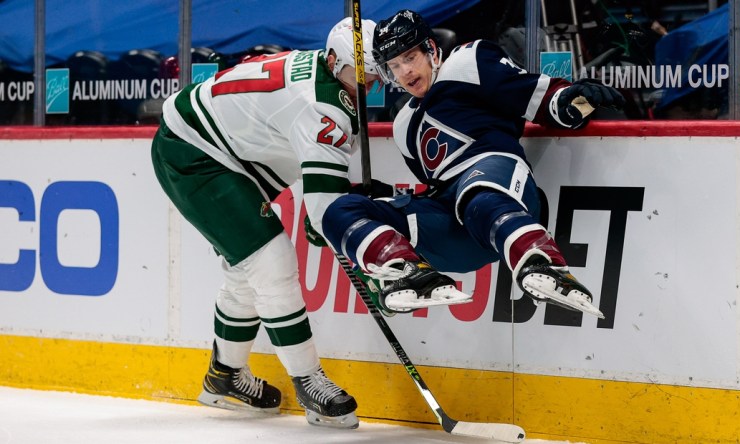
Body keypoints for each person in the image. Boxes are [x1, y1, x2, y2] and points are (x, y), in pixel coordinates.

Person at [150, 17, 381, 429]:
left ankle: (224, 377)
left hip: (226, 149)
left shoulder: (330, 79)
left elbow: (321, 191)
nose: (367, 86)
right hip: (193, 150)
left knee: (247, 269)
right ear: (332, 61)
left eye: (374, 74)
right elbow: (323, 205)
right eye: (357, 75)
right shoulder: (324, 104)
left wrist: (325, 209)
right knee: (270, 261)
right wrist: (328, 216)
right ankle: (308, 379)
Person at [320, 9, 625, 318]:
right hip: (461, 231)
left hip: (501, 192)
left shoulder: (467, 62)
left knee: (476, 196)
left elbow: (536, 97)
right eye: (394, 66)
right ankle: (406, 272)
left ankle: (542, 263)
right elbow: (438, 192)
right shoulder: (402, 126)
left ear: (432, 50)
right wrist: (385, 200)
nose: (404, 73)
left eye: (409, 58)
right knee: (340, 211)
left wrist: (571, 97)